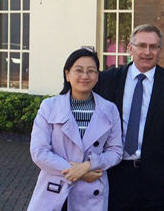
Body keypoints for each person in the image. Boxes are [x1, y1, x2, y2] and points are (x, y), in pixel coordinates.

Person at [93, 24, 164, 211]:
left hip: (158, 182)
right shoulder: (107, 80)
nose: (147, 52)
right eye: (141, 45)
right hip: (115, 175)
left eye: (153, 46)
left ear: (160, 50)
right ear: (130, 48)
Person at [28, 48, 123, 211]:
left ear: (97, 76)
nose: (85, 76)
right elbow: (39, 151)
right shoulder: (49, 107)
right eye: (79, 70)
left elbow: (116, 151)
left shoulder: (109, 109)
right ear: (67, 74)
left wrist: (87, 166)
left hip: (91, 192)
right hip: (55, 188)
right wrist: (76, 172)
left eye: (91, 71)